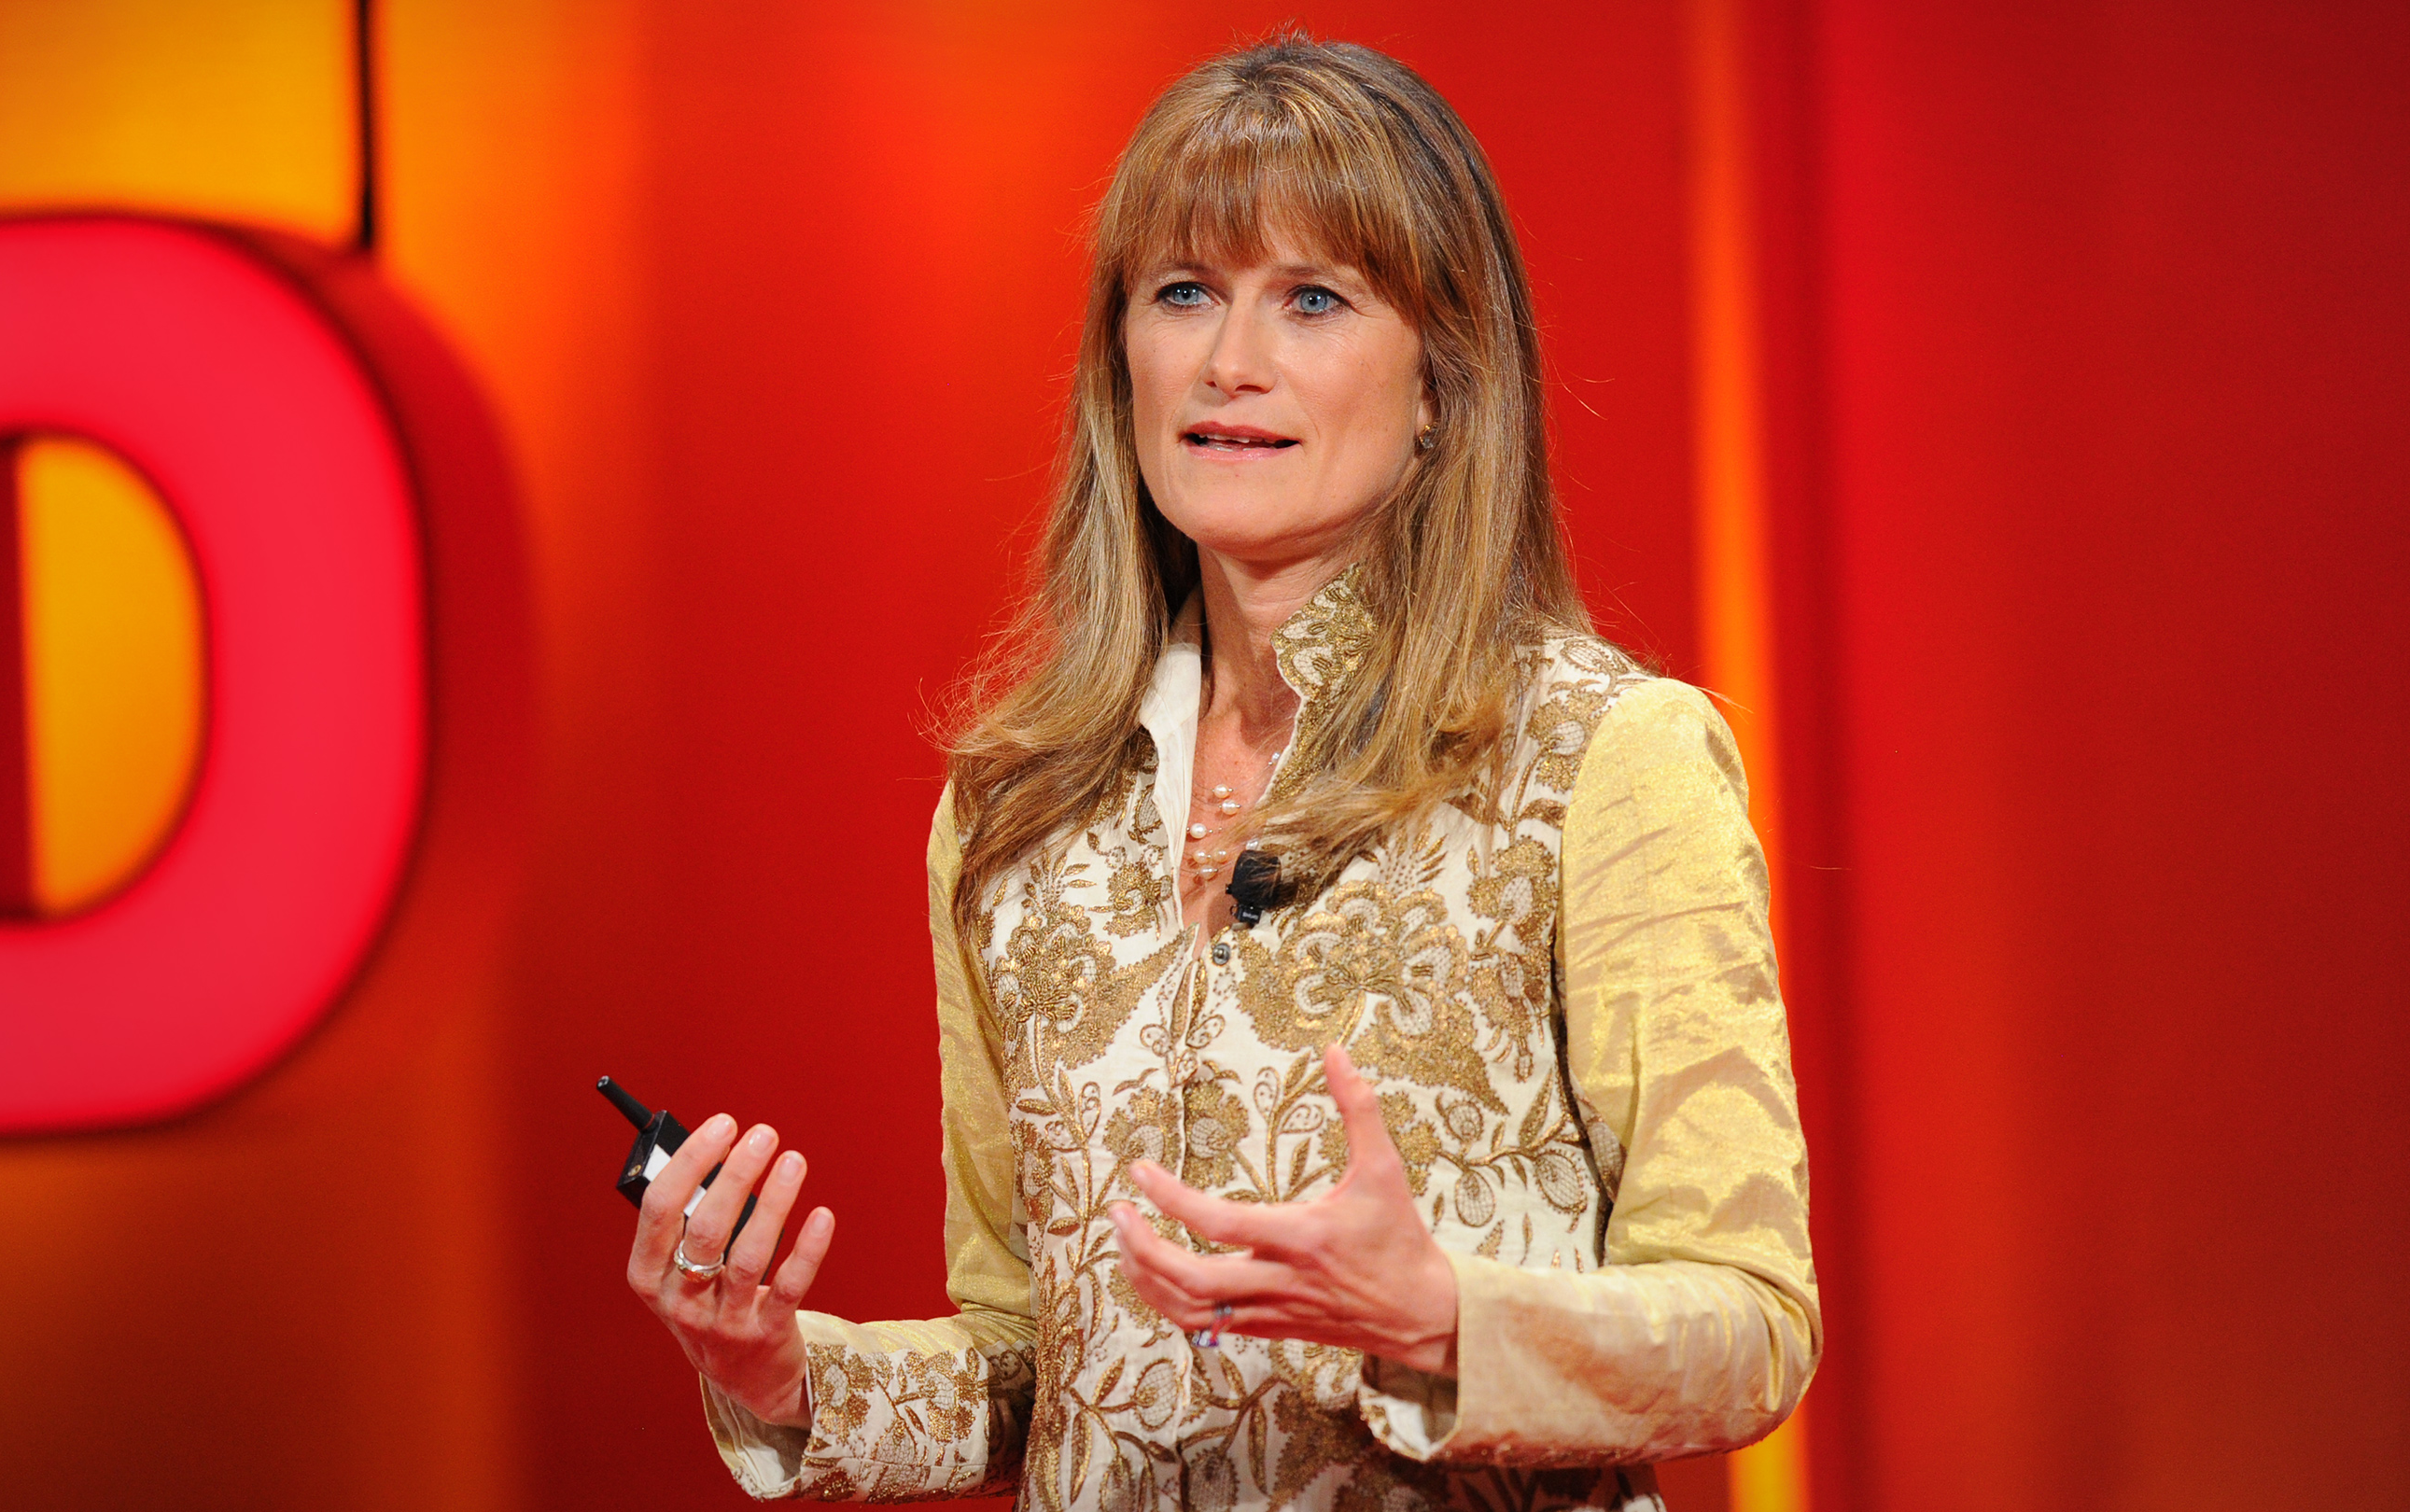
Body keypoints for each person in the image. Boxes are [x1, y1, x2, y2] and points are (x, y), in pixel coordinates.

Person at [624, 32, 1817, 1511]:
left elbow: (1750, 1329)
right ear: (1120, 353)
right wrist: (779, 1371)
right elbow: (1030, 1357)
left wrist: (1447, 1323)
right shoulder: (1014, 818)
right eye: (1183, 292)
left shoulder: (1600, 760)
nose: (1229, 362)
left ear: (1443, 381)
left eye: (1313, 299)